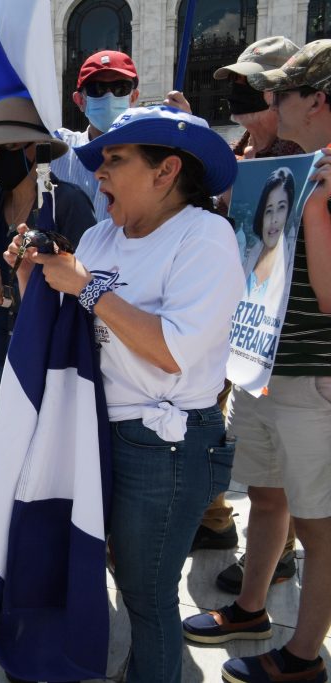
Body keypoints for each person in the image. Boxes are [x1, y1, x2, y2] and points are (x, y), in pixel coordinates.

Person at [6, 106, 242, 682]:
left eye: (115, 159)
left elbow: (172, 351)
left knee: (147, 596)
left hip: (165, 448)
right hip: (99, 431)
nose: (100, 172)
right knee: (110, 565)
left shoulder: (205, 237)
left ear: (166, 172)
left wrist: (84, 286)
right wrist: (32, 277)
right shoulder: (100, 234)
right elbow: (73, 323)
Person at [182, 39, 331, 683]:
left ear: (316, 100)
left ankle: (303, 659)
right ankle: (249, 610)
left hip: (313, 380)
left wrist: (318, 212)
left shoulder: (319, 178)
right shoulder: (282, 166)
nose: (265, 102)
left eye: (277, 92)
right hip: (263, 368)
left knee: (321, 529)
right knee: (267, 498)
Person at [0, 96, 96, 663]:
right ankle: (1, 605)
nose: (3, 157)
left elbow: (86, 292)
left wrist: (8, 292)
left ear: (35, 151)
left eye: (13, 146)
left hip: (53, 374)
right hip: (0, 364)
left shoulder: (69, 206)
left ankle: (32, 604)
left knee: (34, 492)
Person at [191, 38, 302, 588]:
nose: (241, 96)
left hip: (295, 346)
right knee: (241, 451)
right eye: (238, 84)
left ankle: (281, 554)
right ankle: (224, 524)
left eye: (254, 86)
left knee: (285, 474)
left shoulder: (307, 159)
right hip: (239, 331)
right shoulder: (242, 157)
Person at [0, 49, 141, 221]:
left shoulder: (153, 158)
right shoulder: (60, 147)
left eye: (120, 88)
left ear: (133, 97)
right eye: (97, 90)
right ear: (80, 101)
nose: (109, 97)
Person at [246, 167, 295, 298]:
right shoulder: (247, 260)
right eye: (268, 210)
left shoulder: (291, 267)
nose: (274, 219)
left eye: (281, 208)